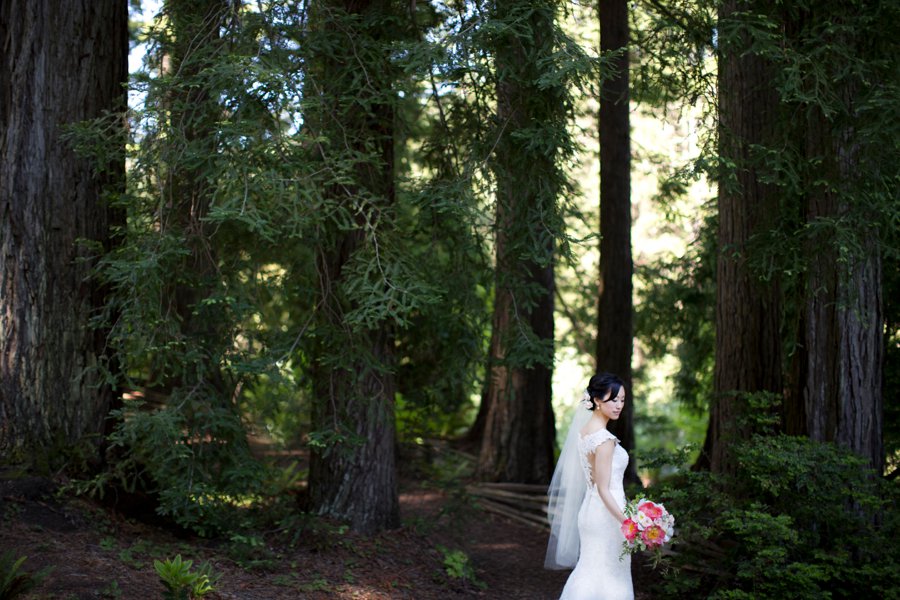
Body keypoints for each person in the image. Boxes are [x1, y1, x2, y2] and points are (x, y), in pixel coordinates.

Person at [545, 373, 634, 600]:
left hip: (592, 510)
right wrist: (629, 523)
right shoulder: (604, 440)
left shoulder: (584, 432)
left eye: (622, 400)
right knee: (611, 575)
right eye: (613, 399)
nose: (619, 405)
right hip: (608, 516)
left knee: (591, 571)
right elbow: (604, 488)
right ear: (596, 400)